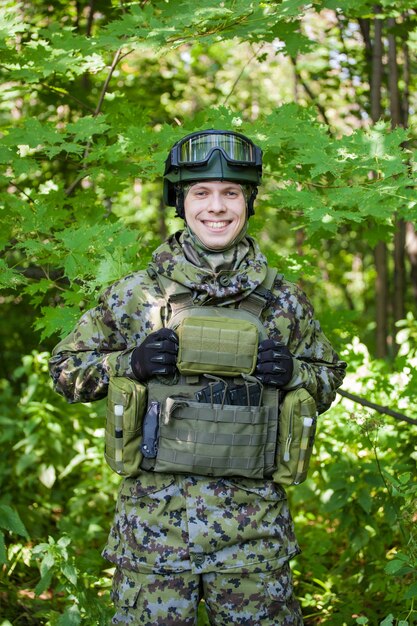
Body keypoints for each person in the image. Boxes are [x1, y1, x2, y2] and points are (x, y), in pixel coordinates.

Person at [49, 129, 347, 626]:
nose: (217, 207)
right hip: (152, 536)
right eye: (201, 193)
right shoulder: (134, 297)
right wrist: (129, 364)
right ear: (179, 202)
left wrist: (297, 375)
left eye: (231, 193)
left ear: (248, 202)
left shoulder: (283, 301)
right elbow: (64, 371)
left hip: (254, 540)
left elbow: (329, 376)